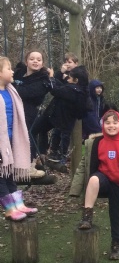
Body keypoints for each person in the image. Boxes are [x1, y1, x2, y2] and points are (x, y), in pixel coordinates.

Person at [69, 110, 119, 260]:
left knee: (116, 215)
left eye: (114, 122)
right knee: (93, 179)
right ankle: (87, 216)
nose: (111, 126)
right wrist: (75, 189)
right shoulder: (96, 142)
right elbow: (82, 167)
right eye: (107, 123)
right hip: (103, 180)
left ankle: (116, 245)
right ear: (103, 125)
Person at [0, 56, 38, 220]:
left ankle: (18, 204)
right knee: (1, 176)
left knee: (9, 174)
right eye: (8, 69)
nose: (12, 71)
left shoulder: (11, 91)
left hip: (10, 141)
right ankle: (9, 209)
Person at [32, 66, 89, 162]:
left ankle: (53, 155)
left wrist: (51, 77)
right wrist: (56, 75)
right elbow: (61, 86)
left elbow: (55, 90)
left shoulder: (73, 91)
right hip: (56, 117)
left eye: (70, 78)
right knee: (43, 130)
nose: (68, 79)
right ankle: (44, 154)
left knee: (35, 131)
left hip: (58, 118)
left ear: (76, 80)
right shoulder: (78, 90)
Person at [13, 49, 51, 179]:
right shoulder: (19, 73)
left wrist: (12, 86)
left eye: (39, 60)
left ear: (42, 63)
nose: (35, 61)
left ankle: (29, 165)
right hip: (14, 107)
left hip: (29, 110)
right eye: (32, 59)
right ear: (26, 61)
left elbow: (26, 93)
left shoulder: (43, 80)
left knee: (27, 134)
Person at [48, 53, 81, 164]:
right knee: (57, 131)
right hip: (60, 108)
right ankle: (54, 151)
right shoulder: (64, 73)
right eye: (66, 62)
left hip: (70, 111)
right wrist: (60, 73)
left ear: (76, 63)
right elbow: (56, 85)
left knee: (65, 133)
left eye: (70, 62)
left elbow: (59, 88)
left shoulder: (79, 75)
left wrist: (63, 78)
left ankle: (62, 155)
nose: (67, 64)